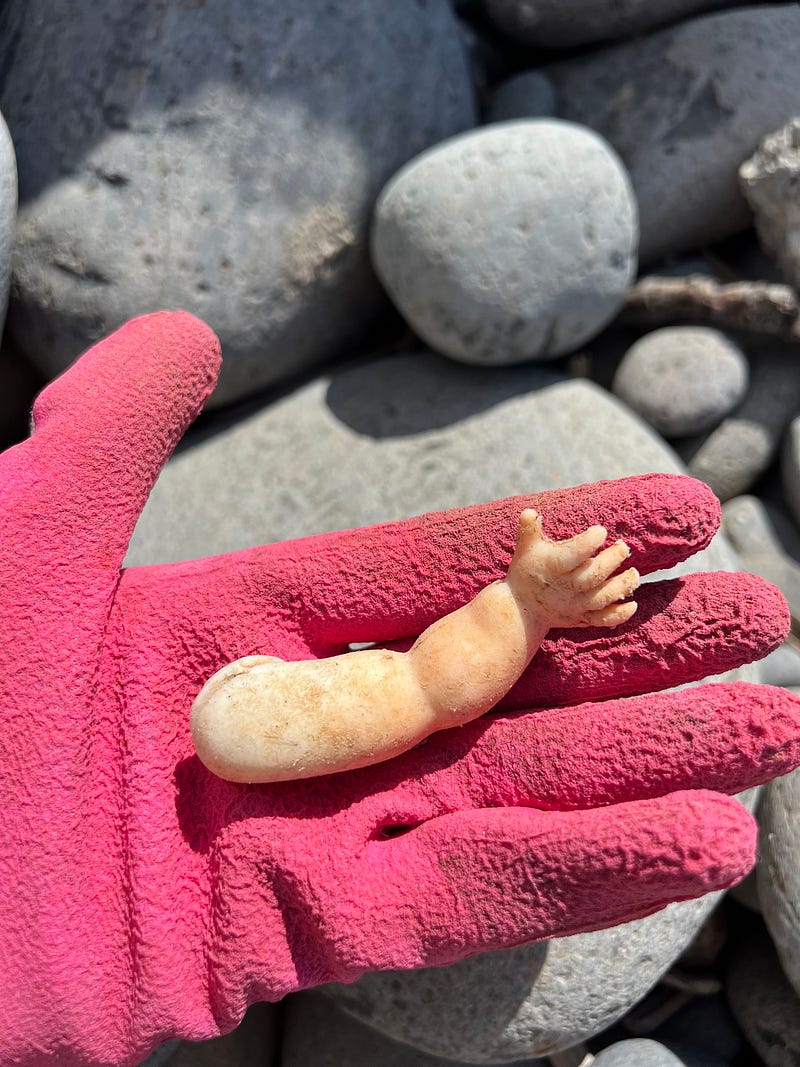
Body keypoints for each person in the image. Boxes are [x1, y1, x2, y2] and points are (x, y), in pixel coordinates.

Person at [1, 310, 797, 1067]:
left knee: (424, 690)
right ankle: (529, 599)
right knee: (423, 690)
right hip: (312, 702)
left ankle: (529, 600)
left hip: (313, 701)